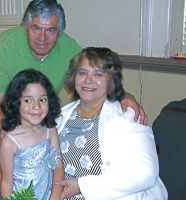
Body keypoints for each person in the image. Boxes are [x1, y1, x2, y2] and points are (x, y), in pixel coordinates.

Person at [0, 0, 146, 165]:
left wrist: (124, 96)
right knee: (13, 179)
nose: (42, 38)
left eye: (51, 30)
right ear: (26, 27)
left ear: (59, 31)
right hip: (4, 120)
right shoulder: (3, 48)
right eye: (36, 28)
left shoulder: (69, 48)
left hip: (40, 121)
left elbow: (97, 77)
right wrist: (9, 129)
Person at [55, 47, 168, 200]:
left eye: (98, 74)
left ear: (111, 80)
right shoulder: (60, 116)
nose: (88, 80)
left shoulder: (127, 117)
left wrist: (81, 186)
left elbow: (146, 173)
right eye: (82, 73)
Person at [0, 69, 64, 200]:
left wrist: (55, 196)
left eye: (42, 99)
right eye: (28, 100)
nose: (36, 106)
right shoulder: (10, 142)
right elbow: (6, 182)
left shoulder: (50, 130)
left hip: (49, 195)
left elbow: (58, 167)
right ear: (15, 102)